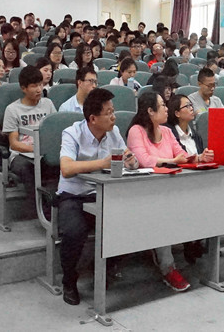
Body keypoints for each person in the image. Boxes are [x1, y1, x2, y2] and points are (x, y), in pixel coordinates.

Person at [58, 88, 139, 305]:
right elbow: (66, 168)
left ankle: (104, 268)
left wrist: (132, 161)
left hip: (103, 193)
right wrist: (103, 163)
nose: (114, 117)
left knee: (133, 223)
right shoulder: (72, 133)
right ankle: (69, 281)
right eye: (109, 113)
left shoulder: (114, 132)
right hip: (73, 195)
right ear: (93, 118)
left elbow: (127, 157)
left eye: (113, 111)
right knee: (74, 231)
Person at [126, 92, 192, 292]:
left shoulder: (167, 131)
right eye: (162, 105)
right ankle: (167, 268)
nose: (166, 108)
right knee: (163, 213)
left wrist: (197, 158)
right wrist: (172, 161)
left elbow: (182, 154)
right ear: (150, 111)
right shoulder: (136, 131)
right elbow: (144, 160)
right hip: (143, 192)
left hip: (169, 188)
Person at [2, 66, 56, 216]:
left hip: (44, 153)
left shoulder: (48, 104)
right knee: (27, 169)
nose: (39, 89)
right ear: (23, 88)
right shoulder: (12, 109)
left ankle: (58, 206)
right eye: (34, 86)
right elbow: (14, 144)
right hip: (21, 155)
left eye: (40, 85)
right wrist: (36, 149)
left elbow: (54, 132)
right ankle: (41, 211)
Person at [166, 94, 214, 163]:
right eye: (187, 106)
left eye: (191, 105)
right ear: (177, 113)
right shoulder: (170, 135)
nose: (191, 108)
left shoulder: (196, 135)